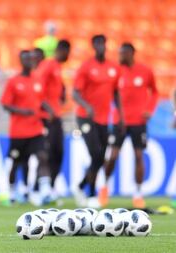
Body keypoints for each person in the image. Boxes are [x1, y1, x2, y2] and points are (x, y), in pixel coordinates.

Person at [99, 43, 158, 208]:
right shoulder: (116, 72)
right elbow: (107, 93)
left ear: (132, 53)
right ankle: (104, 187)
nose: (120, 56)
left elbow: (155, 92)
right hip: (120, 121)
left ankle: (138, 194)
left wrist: (149, 110)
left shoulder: (145, 71)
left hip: (139, 122)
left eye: (123, 53)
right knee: (112, 156)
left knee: (139, 156)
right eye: (119, 53)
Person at [72, 34, 122, 208]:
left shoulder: (113, 68)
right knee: (96, 154)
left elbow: (116, 93)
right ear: (93, 46)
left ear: (106, 45)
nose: (101, 47)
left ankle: (80, 186)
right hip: (85, 117)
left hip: (103, 119)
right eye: (97, 44)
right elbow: (75, 93)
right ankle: (92, 193)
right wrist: (87, 106)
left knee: (100, 157)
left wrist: (120, 115)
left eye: (103, 43)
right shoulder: (86, 67)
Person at [0, 50, 52, 205]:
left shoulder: (38, 80)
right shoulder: (13, 81)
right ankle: (12, 191)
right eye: (26, 59)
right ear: (21, 61)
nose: (29, 61)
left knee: (42, 156)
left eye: (31, 59)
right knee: (17, 163)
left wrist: (49, 110)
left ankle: (44, 191)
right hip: (18, 131)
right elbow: (5, 104)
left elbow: (41, 100)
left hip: (35, 129)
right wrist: (22, 111)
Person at [35, 40, 70, 201]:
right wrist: (47, 108)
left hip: (56, 116)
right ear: (61, 50)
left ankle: (50, 187)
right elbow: (37, 86)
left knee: (58, 152)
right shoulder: (48, 65)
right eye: (67, 52)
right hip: (45, 117)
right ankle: (39, 189)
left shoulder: (57, 67)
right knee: (46, 153)